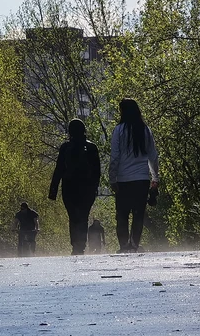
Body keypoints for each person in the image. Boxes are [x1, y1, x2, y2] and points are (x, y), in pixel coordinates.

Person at [108, 98, 159, 253]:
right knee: (138, 214)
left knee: (122, 215)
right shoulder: (144, 130)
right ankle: (134, 245)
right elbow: (153, 156)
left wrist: (112, 177)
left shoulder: (119, 130)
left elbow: (115, 156)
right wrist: (155, 178)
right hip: (141, 179)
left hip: (123, 180)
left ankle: (123, 245)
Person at [48, 118, 101, 255]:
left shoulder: (65, 147)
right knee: (83, 216)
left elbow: (59, 169)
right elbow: (97, 171)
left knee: (73, 216)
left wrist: (53, 190)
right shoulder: (92, 147)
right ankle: (81, 244)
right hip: (87, 189)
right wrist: (95, 188)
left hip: (69, 187)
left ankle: (75, 245)